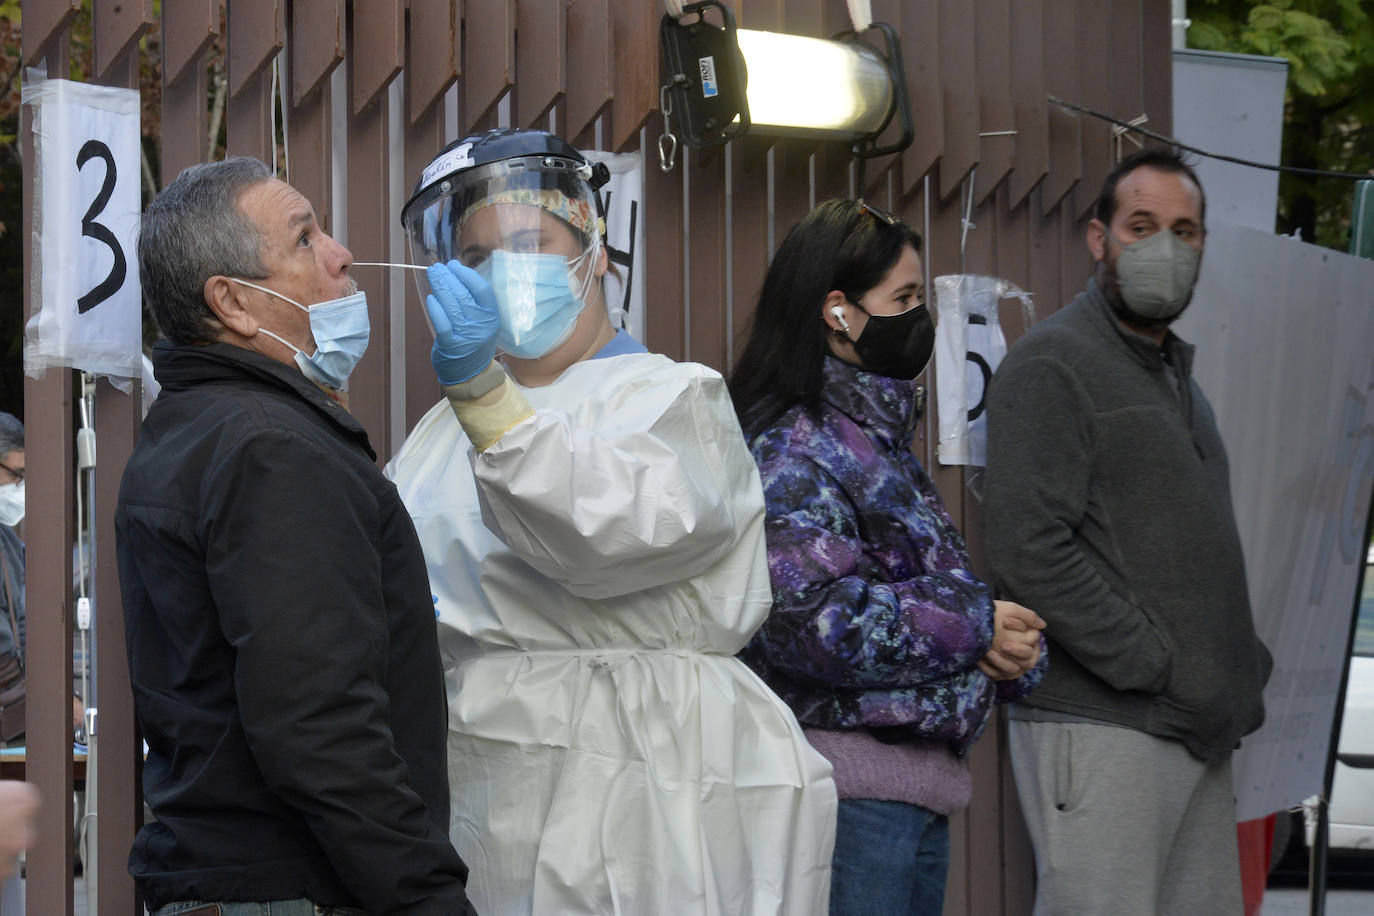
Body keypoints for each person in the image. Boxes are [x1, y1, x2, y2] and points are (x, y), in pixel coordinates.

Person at [386, 128, 837, 914]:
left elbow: (601, 532)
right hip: (481, 788)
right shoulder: (436, 433)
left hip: (641, 783)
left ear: (593, 249)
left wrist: (485, 398)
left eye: (528, 242)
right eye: (476, 254)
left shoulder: (669, 398)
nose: (502, 270)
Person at [116, 157, 475, 915]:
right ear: (234, 302)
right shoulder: (271, 448)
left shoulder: (198, 425)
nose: (342, 253)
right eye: (305, 238)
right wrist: (430, 899)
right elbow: (320, 730)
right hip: (292, 888)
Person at [727, 198, 1047, 915]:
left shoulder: (877, 442)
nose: (919, 318)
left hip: (909, 798)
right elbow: (816, 623)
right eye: (903, 298)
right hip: (851, 801)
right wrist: (974, 623)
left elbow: (926, 600)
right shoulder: (795, 448)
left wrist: (1001, 644)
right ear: (837, 313)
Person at [983, 148, 1273, 915]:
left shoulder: (1178, 378)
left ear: (1204, 244)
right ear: (1098, 238)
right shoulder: (1054, 363)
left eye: (1184, 230)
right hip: (1108, 725)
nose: (1164, 248)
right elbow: (1027, 549)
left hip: (1191, 732)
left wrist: (1237, 665)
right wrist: (1158, 665)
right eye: (1141, 226)